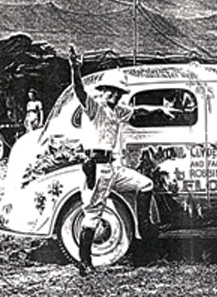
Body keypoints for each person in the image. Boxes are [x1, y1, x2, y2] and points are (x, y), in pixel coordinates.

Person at [68, 45, 169, 276]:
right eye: (110, 91)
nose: (114, 96)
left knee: (145, 184)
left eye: (118, 93)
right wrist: (75, 69)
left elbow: (138, 111)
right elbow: (79, 91)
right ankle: (84, 264)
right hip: (95, 166)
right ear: (102, 91)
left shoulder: (117, 111)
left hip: (113, 166)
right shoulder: (94, 106)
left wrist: (160, 109)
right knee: (93, 214)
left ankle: (145, 226)